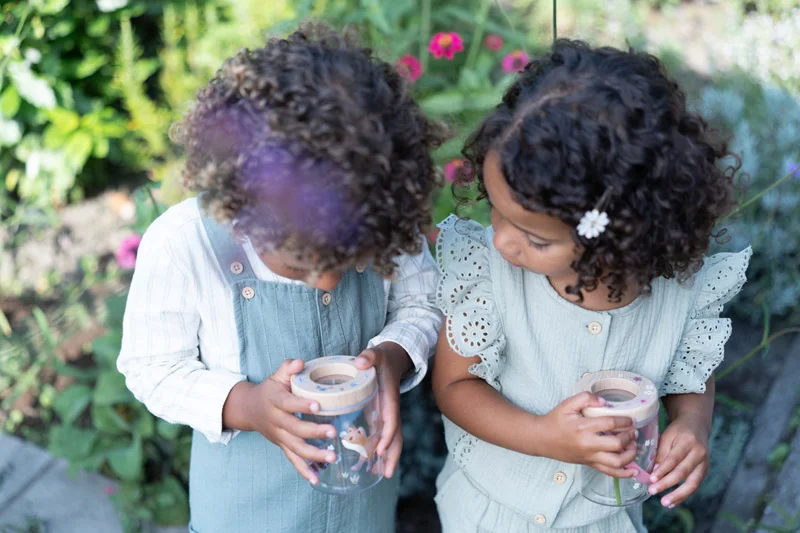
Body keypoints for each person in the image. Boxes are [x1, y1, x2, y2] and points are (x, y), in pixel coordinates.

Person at [117, 22, 447, 533]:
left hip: (364, 510)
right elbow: (151, 367)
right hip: (244, 513)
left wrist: (391, 357)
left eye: (352, 259)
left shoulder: (376, 212)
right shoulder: (186, 245)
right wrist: (246, 405)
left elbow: (421, 302)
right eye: (304, 262)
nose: (329, 283)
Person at [432, 39, 751, 532]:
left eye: (534, 238)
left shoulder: (679, 293)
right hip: (491, 512)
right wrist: (543, 435)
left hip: (604, 520)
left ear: (619, 235)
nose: (501, 241)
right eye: (494, 210)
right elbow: (454, 386)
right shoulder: (489, 276)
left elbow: (690, 375)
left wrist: (692, 424)